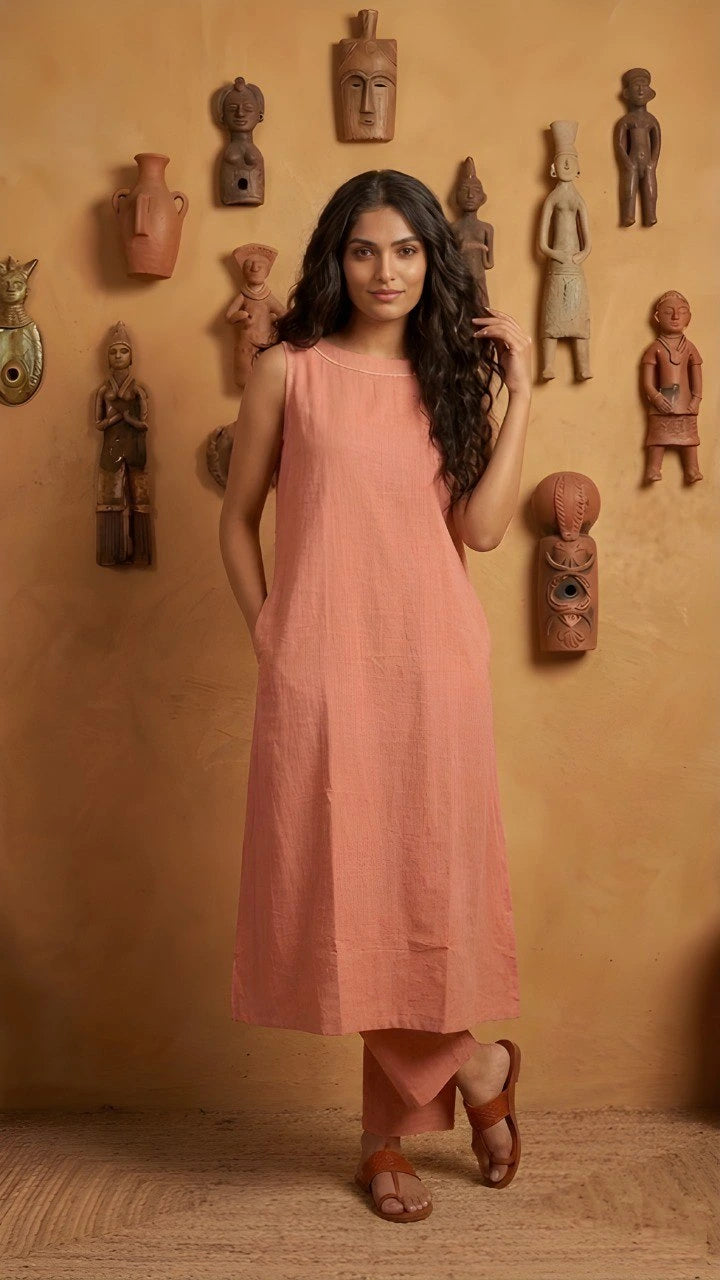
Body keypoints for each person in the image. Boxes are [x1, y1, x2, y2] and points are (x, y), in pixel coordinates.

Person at [219, 169, 532, 1223]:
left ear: (431, 259)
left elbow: (482, 532)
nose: (386, 270)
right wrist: (273, 635)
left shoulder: (454, 380)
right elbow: (238, 521)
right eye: (364, 250)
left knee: (415, 891)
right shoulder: (288, 373)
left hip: (434, 663)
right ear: (335, 259)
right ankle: (479, 1065)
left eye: (406, 250)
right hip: (321, 665)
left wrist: (522, 391)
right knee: (348, 894)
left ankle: (382, 1139)